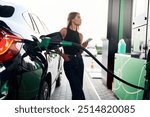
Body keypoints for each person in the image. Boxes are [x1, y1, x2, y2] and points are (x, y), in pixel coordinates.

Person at [57, 12, 88, 100]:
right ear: (72, 19)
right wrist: (62, 55)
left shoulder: (80, 35)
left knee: (77, 90)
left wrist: (83, 46)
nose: (80, 19)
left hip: (79, 62)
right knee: (78, 90)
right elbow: (54, 44)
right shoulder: (64, 31)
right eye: (78, 17)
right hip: (69, 62)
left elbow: (80, 52)